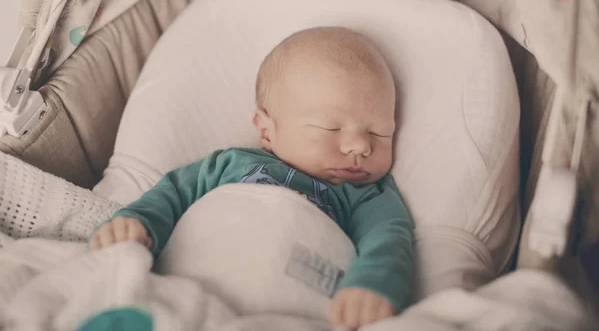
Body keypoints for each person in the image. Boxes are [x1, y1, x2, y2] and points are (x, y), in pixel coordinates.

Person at [90, 26, 413, 328]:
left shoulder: (368, 193)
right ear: (266, 130)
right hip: (185, 284)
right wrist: (139, 222)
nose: (360, 145)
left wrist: (372, 285)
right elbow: (171, 196)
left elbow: (387, 241)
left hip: (283, 307)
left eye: (379, 132)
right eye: (330, 128)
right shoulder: (229, 164)